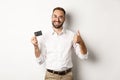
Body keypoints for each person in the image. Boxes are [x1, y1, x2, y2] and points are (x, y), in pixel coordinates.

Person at [31, 7, 88, 80]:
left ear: (64, 19)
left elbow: (84, 56)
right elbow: (40, 61)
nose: (57, 20)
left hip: (67, 76)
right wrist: (35, 47)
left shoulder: (72, 35)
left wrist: (81, 42)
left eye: (60, 17)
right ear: (51, 17)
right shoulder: (45, 36)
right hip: (50, 76)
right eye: (55, 16)